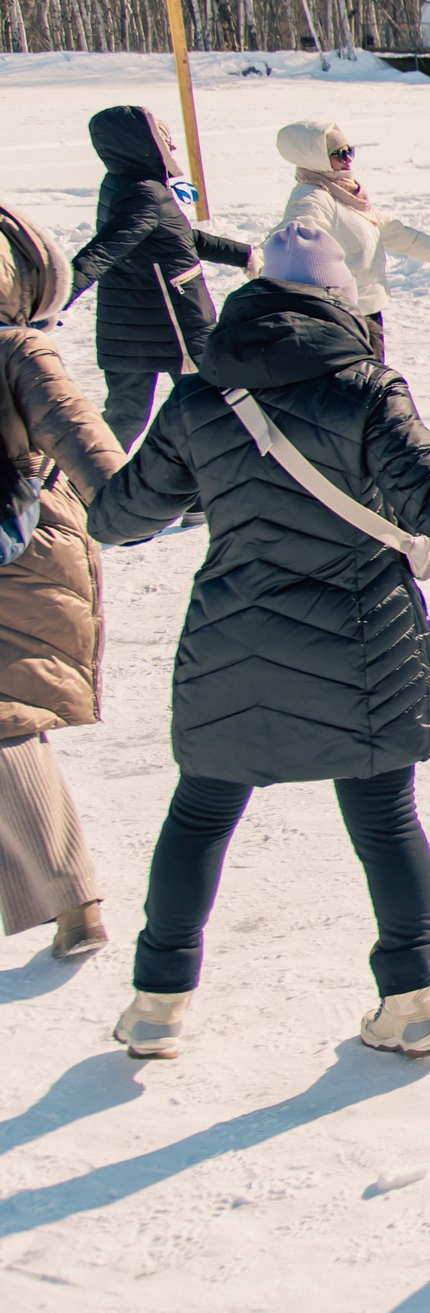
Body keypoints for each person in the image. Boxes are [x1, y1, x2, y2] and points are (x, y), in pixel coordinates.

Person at [87, 222, 430, 1059]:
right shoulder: (366, 391)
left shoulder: (201, 397)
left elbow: (119, 517)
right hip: (365, 642)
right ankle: (414, 1000)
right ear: (336, 299)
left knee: (200, 815)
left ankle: (157, 1002)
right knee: (386, 822)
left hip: (232, 639)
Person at [0, 204, 125, 960]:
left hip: (19, 553)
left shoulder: (17, 353)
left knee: (9, 720)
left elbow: (90, 449)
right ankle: (68, 898)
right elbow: (94, 453)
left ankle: (74, 900)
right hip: (31, 547)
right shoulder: (22, 347)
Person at [67, 105, 255, 449]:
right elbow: (104, 250)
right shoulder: (145, 193)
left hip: (129, 325)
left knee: (127, 415)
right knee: (214, 408)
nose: (172, 149)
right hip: (172, 325)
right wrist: (54, 296)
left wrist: (243, 254)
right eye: (163, 140)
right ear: (142, 144)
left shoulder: (125, 184)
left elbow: (179, 239)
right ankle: (205, 492)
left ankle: (87, 484)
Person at [274, 119, 430, 361]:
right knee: (361, 389)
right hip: (342, 317)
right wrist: (259, 258)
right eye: (338, 154)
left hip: (367, 311)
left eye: (349, 151)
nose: (348, 159)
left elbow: (393, 232)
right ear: (315, 159)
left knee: (372, 388)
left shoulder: (345, 192)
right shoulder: (313, 197)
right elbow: (294, 233)